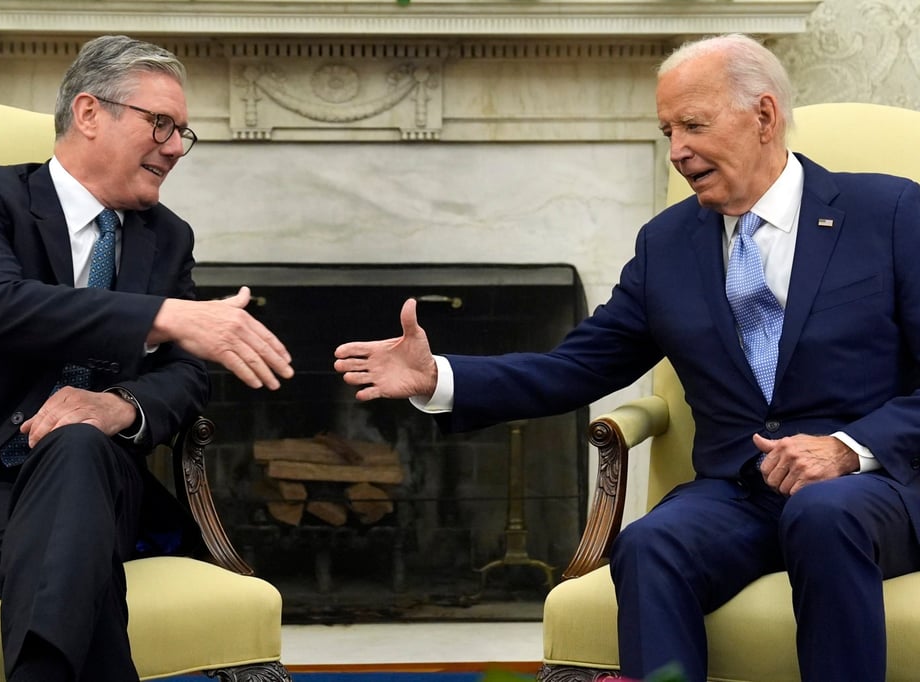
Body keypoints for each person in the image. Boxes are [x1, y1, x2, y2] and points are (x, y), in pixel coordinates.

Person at [334, 33, 920, 682]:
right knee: (649, 541)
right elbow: (579, 366)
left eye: (693, 126)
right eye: (667, 131)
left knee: (822, 510)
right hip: (741, 493)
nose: (677, 152)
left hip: (874, 487)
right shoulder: (668, 243)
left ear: (763, 116)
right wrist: (438, 376)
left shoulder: (889, 213)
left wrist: (845, 448)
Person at [0, 35, 293, 682]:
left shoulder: (167, 238)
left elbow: (187, 377)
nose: (173, 147)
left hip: (98, 483)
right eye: (159, 124)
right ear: (88, 113)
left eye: (182, 133)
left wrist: (118, 406)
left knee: (80, 447)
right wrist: (168, 317)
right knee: (78, 566)